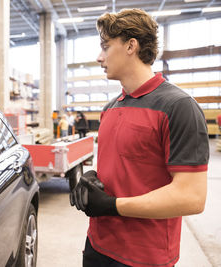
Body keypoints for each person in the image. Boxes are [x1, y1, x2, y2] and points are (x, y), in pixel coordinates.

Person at [69, 8, 209, 267]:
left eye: (106, 47)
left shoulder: (178, 107)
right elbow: (124, 168)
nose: (99, 57)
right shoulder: (110, 108)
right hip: (97, 245)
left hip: (144, 256)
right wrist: (93, 178)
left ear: (130, 45)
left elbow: (191, 196)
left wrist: (113, 205)